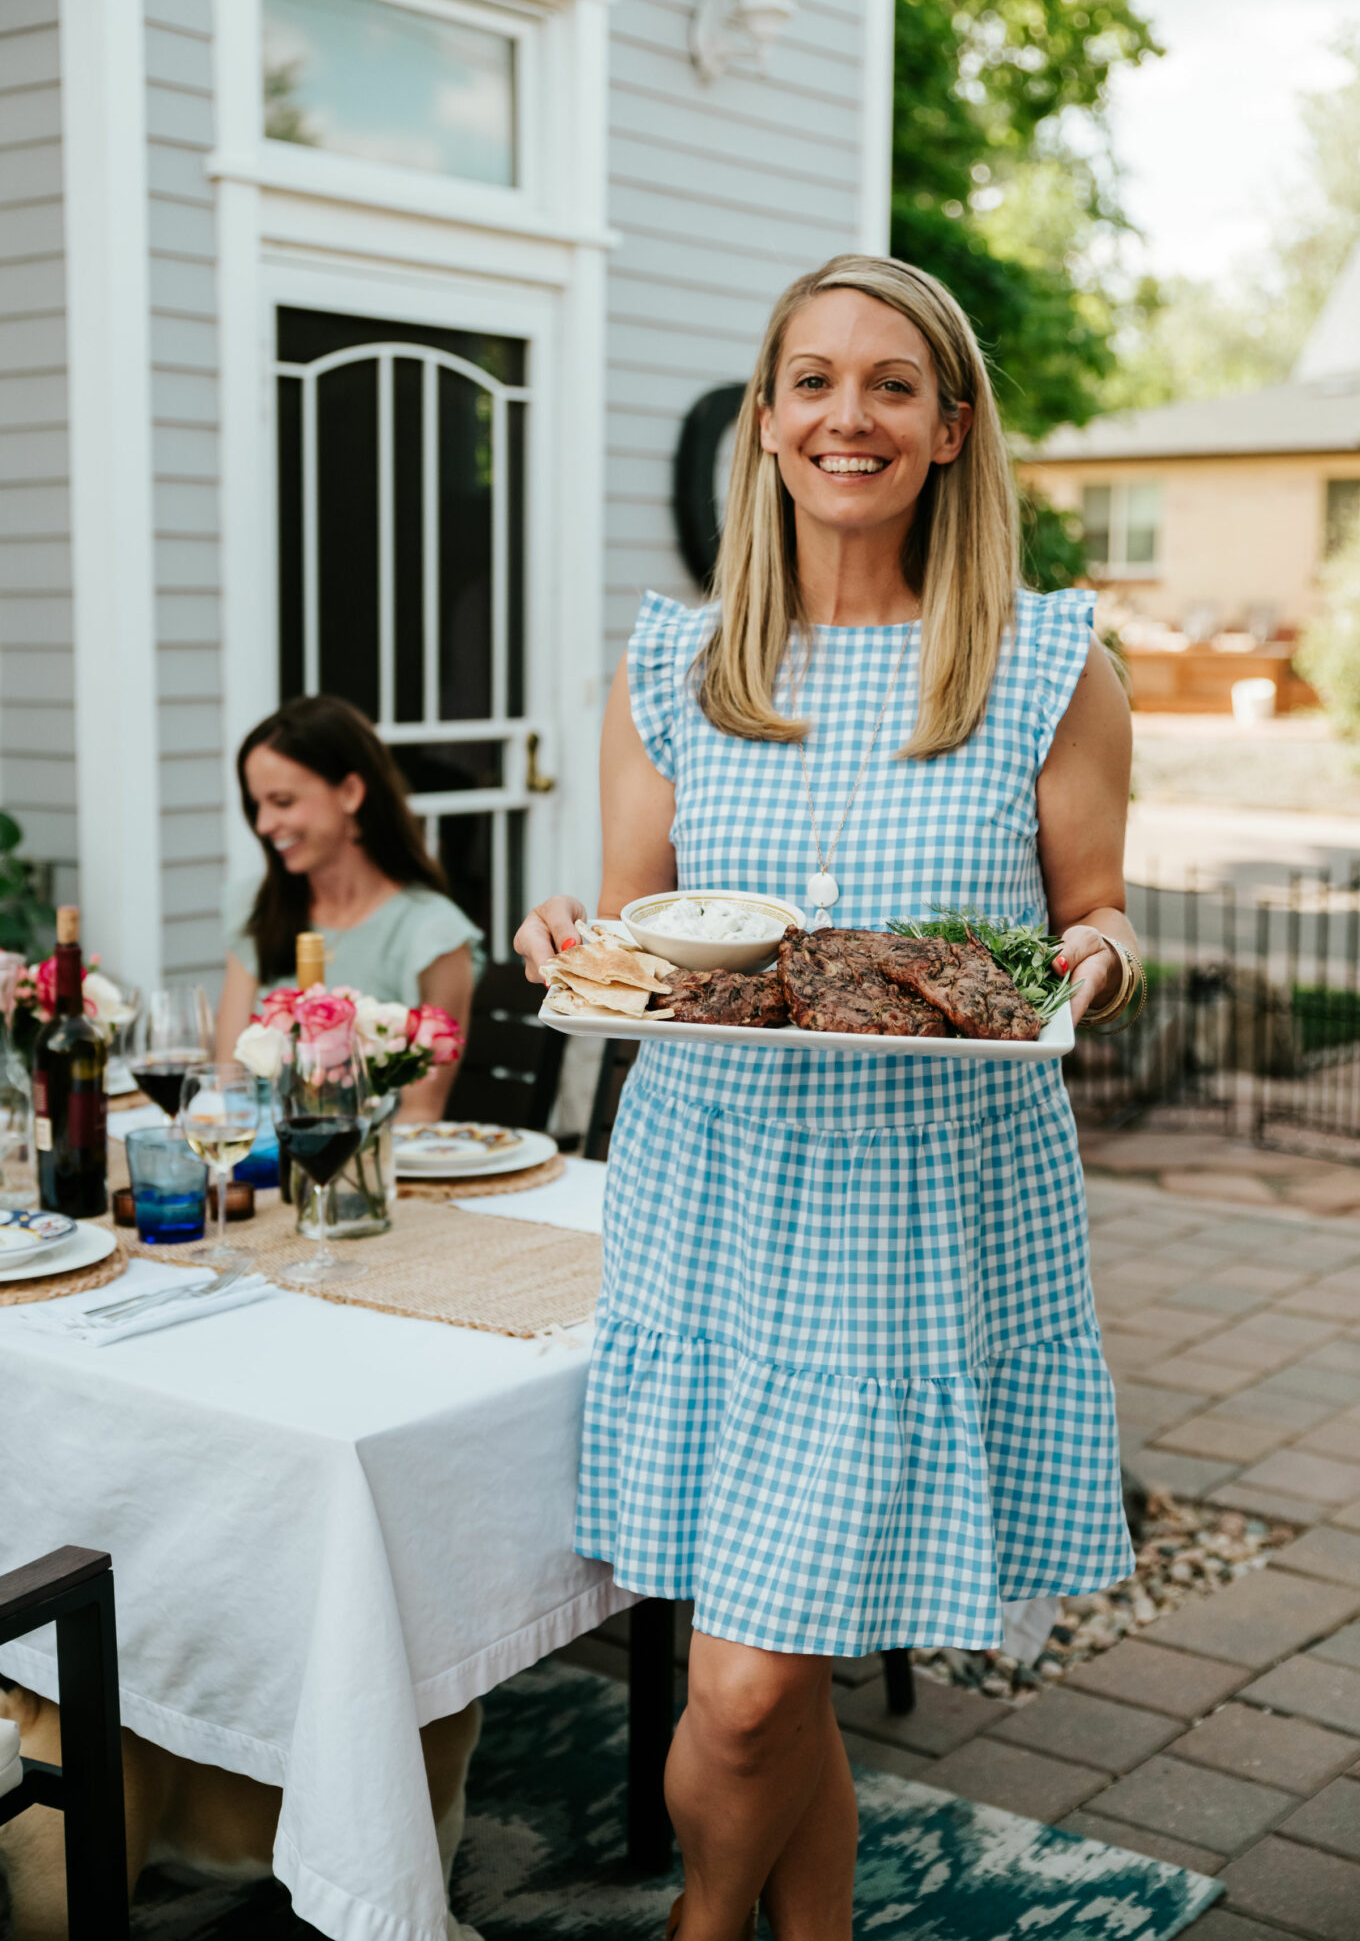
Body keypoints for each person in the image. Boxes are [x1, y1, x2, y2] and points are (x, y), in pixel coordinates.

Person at [515, 254, 1142, 1941]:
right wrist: (567, 934)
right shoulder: (678, 666)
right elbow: (643, 936)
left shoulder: (1044, 659)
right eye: (811, 381)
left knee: (736, 1691)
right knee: (775, 1681)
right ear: (768, 419)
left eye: (887, 385)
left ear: (950, 428)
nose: (843, 416)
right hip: (716, 1199)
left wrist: (1088, 972)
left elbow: (1094, 913)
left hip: (919, 1221)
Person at [218, 694, 480, 1121]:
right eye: (257, 804)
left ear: (351, 792)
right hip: (265, 1165)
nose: (263, 825)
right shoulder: (259, 907)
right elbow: (229, 1082)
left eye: (282, 802)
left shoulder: (431, 934)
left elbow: (419, 1115)